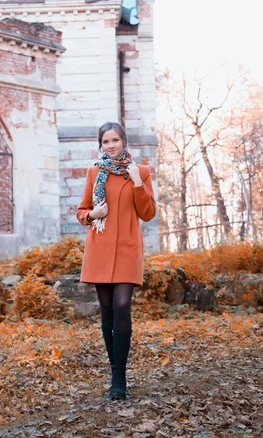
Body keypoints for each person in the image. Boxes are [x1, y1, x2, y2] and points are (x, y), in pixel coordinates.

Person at [77, 121, 156, 400]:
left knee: (122, 305)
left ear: (124, 141)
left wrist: (136, 182)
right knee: (107, 309)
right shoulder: (94, 172)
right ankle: (115, 372)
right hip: (99, 247)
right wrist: (92, 214)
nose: (110, 146)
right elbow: (82, 211)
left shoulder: (141, 172)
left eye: (115, 140)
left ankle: (119, 378)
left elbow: (147, 213)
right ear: (101, 145)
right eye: (106, 142)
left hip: (127, 248)